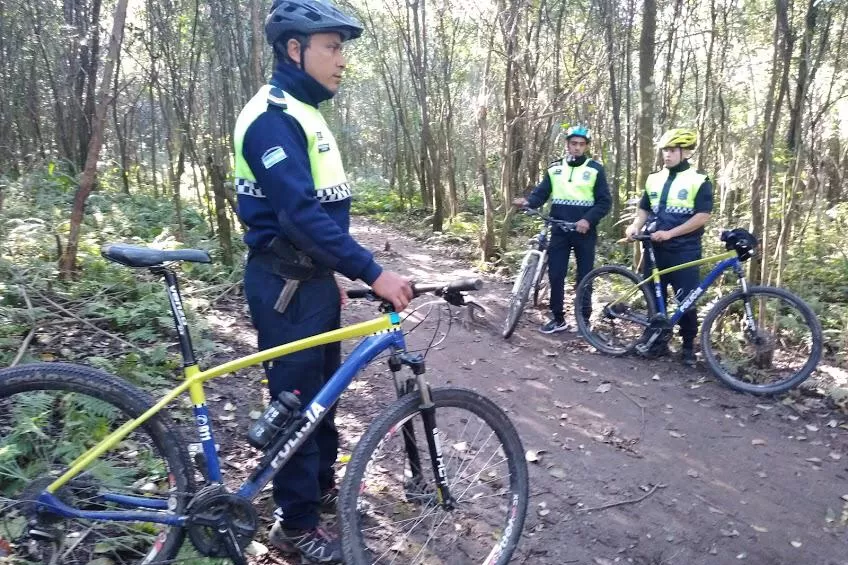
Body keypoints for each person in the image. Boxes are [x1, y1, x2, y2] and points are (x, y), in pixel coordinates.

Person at [232, 1, 412, 562]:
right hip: (283, 285)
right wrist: (372, 271)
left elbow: (317, 214)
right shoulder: (272, 116)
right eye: (332, 47)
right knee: (297, 402)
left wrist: (332, 272)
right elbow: (299, 215)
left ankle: (316, 491)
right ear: (295, 49)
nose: (341, 60)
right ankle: (294, 524)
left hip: (309, 280)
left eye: (342, 49)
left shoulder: (307, 111)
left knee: (321, 402)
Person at [625, 127, 713, 367]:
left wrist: (671, 233)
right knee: (654, 298)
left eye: (672, 150)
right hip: (654, 249)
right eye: (665, 150)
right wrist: (635, 226)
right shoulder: (654, 178)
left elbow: (702, 215)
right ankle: (656, 341)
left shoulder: (699, 180)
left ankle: (687, 348)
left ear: (685, 152)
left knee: (686, 300)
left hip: (685, 250)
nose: (667, 155)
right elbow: (644, 208)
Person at [513, 125, 612, 333]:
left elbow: (604, 202)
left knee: (585, 275)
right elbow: (541, 193)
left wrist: (587, 220)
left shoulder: (595, 169)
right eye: (573, 143)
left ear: (586, 147)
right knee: (556, 274)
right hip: (559, 229)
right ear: (567, 144)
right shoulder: (555, 169)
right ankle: (558, 318)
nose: (577, 148)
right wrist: (528, 202)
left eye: (581, 144)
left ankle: (584, 320)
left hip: (584, 232)